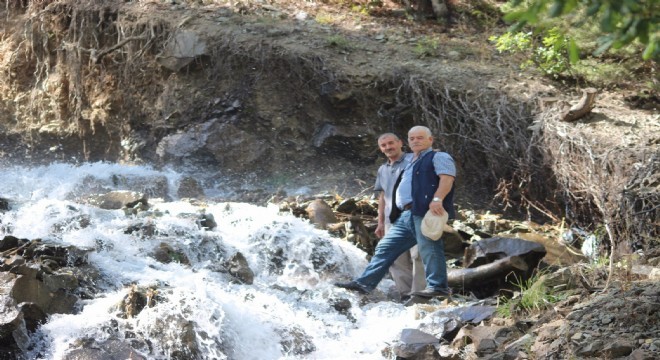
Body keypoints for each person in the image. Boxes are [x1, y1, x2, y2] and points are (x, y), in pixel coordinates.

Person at [335, 125, 456, 298]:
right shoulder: (412, 161)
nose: (415, 141)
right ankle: (364, 283)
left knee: (428, 247)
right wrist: (382, 220)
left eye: (420, 137)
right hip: (405, 214)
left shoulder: (439, 156)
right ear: (407, 141)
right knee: (385, 246)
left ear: (430, 140)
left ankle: (438, 287)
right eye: (412, 138)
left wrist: (437, 199)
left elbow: (447, 178)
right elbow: (386, 193)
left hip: (423, 209)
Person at [373, 133, 426, 300]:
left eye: (391, 143)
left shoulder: (415, 159)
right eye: (384, 145)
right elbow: (382, 197)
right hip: (391, 220)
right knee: (395, 257)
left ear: (400, 143)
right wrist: (380, 223)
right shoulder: (382, 169)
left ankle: (420, 295)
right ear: (381, 149)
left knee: (418, 255)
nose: (388, 147)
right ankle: (406, 295)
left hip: (415, 215)